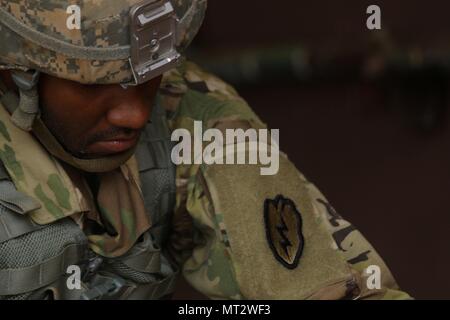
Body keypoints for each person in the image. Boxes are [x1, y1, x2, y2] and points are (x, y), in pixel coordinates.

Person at [0, 0, 410, 300]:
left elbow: (330, 289)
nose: (135, 115)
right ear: (16, 73)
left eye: (148, 76)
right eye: (95, 83)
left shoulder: (188, 110)